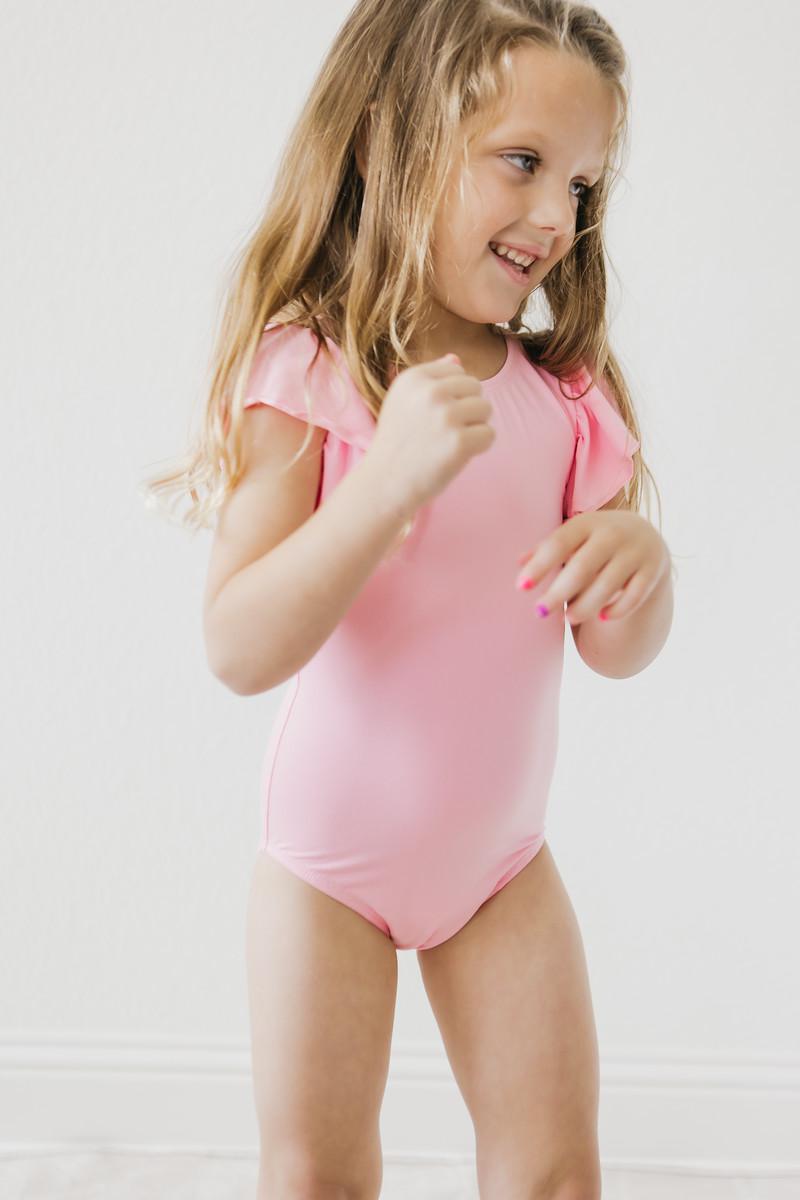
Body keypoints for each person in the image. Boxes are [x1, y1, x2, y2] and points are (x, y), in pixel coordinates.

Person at [141, 2, 675, 1197]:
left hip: (501, 867)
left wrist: (640, 572)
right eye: (521, 161)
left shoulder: (563, 397)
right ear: (392, 138)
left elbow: (610, 648)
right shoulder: (311, 370)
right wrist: (382, 482)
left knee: (555, 1176)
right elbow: (237, 645)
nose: (556, 216)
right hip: (327, 870)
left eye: (579, 184)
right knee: (318, 1176)